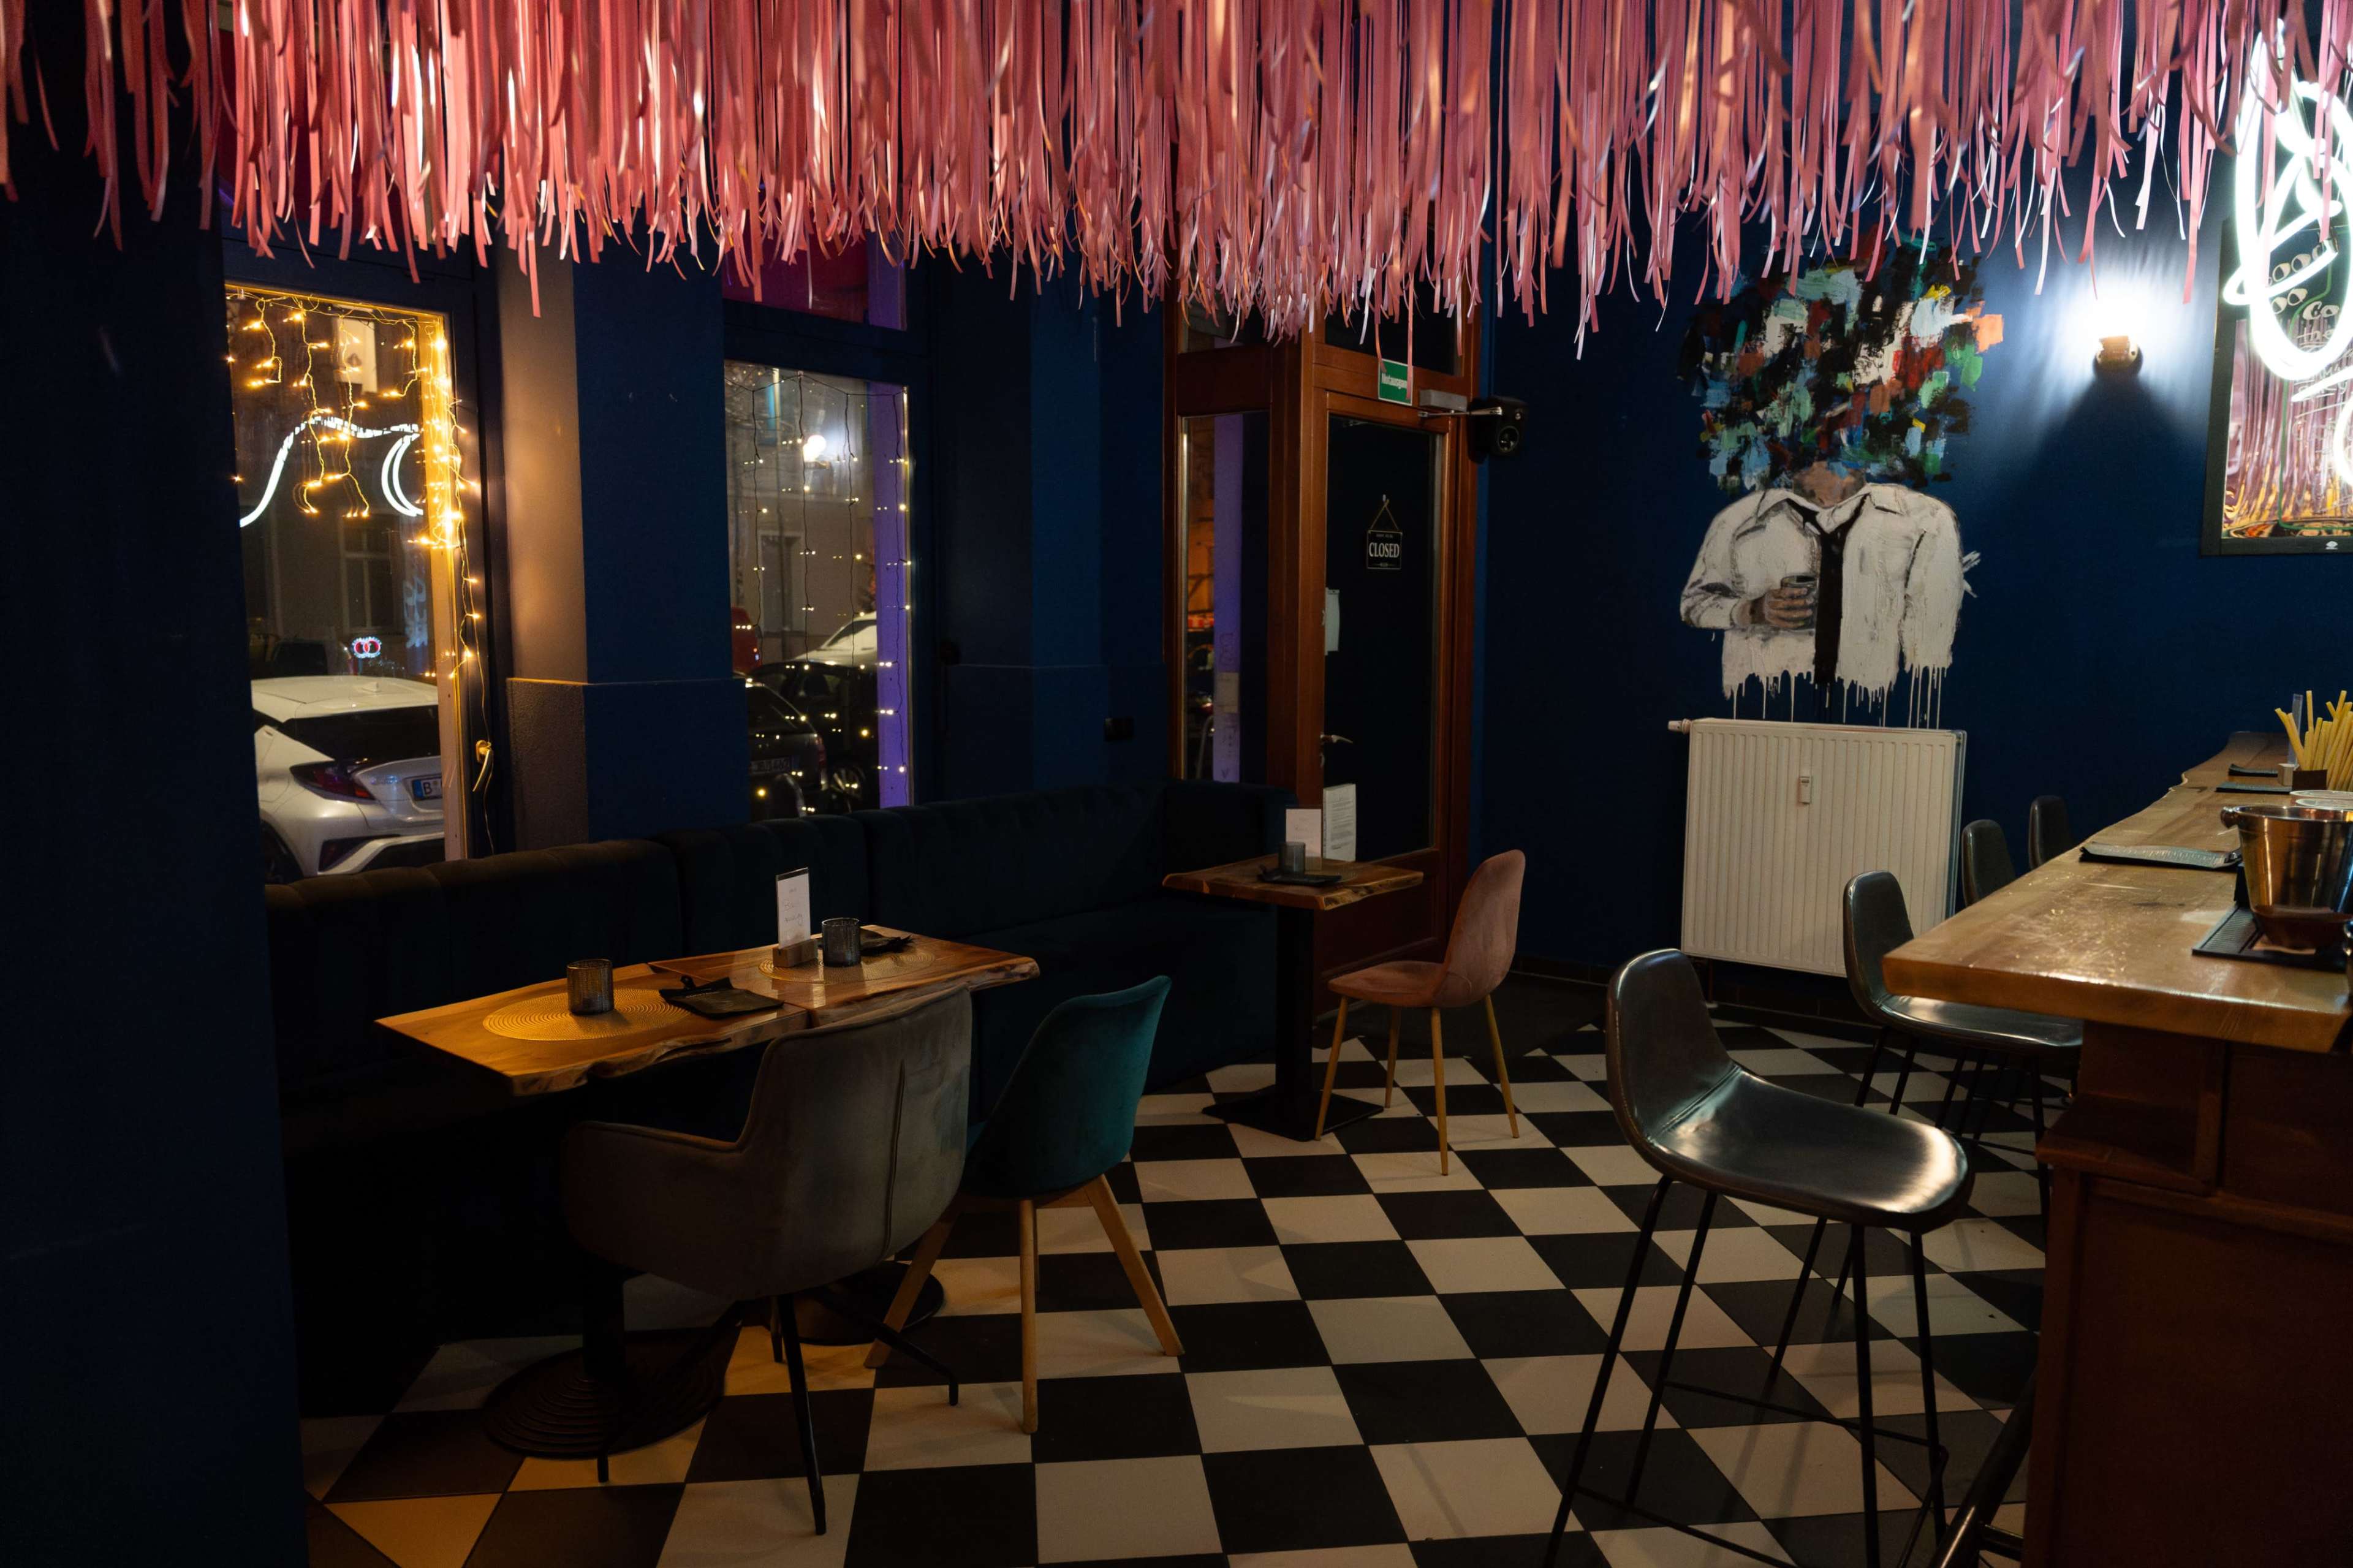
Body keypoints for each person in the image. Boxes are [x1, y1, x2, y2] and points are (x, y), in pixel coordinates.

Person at [1680, 457, 1962, 702]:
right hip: (1765, 718)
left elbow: (1930, 649)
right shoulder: (1739, 520)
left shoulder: (1927, 520)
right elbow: (1694, 603)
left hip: (1874, 720)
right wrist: (1751, 611)